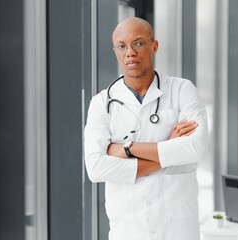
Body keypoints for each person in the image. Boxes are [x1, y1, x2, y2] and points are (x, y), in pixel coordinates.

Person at [84, 17, 208, 240]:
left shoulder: (182, 90)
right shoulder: (101, 103)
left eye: (138, 43)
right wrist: (169, 150)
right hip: (129, 229)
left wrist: (127, 149)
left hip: (178, 229)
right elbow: (96, 169)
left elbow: (195, 149)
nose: (130, 52)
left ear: (154, 46)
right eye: (122, 46)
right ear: (116, 52)